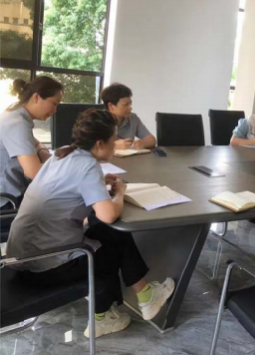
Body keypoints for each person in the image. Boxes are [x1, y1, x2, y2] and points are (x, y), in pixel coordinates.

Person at [7, 109, 174, 338]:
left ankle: (135, 299)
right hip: (45, 268)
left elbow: (67, 185)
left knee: (104, 234)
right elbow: (108, 215)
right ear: (99, 144)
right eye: (113, 141)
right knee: (114, 235)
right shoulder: (87, 166)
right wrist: (120, 193)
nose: (115, 146)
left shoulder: (62, 154)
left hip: (22, 259)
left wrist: (99, 182)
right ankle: (116, 311)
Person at [0, 77, 63, 208]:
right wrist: (70, 171)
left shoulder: (15, 112)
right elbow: (34, 172)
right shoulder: (17, 123)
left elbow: (35, 143)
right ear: (36, 97)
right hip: (8, 200)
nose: (55, 111)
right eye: (54, 103)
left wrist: (42, 151)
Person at [101, 83, 156, 150]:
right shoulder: (97, 120)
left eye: (130, 104)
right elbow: (91, 147)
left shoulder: (133, 118)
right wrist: (114, 146)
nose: (130, 108)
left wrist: (143, 143)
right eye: (126, 105)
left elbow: (152, 140)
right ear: (111, 106)